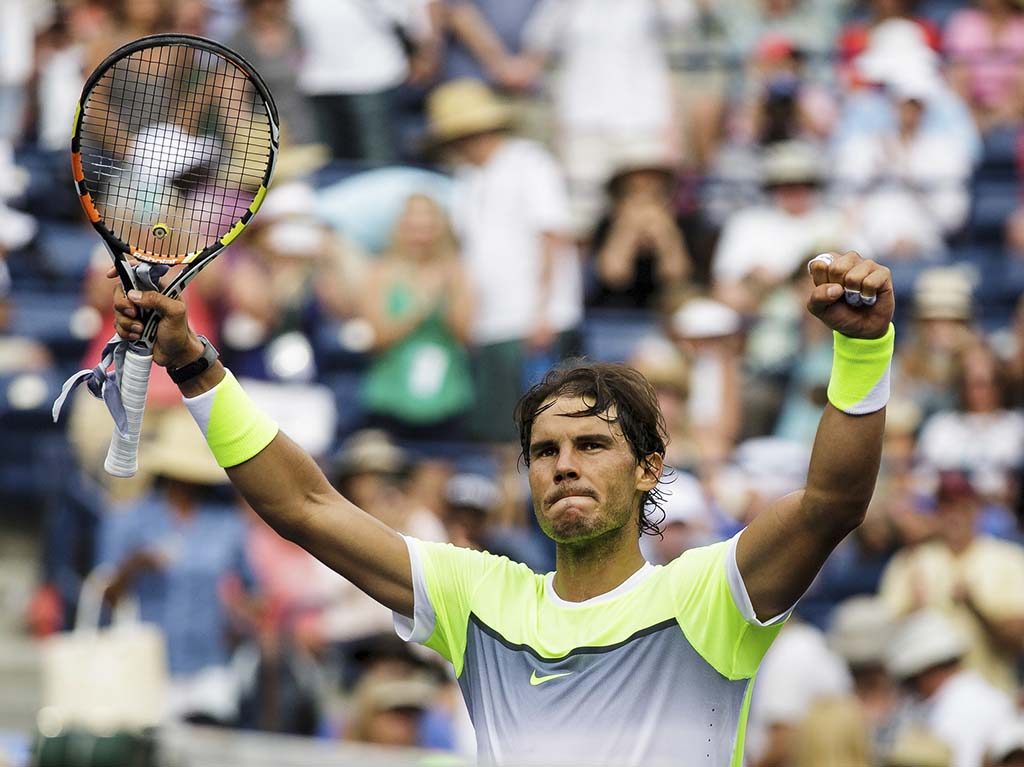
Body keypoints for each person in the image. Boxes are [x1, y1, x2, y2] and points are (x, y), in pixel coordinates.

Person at [108, 250, 896, 765]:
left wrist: (862, 352)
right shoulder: (481, 597)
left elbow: (833, 500)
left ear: (650, 468)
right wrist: (194, 363)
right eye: (545, 452)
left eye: (592, 445)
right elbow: (307, 506)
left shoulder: (706, 595)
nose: (564, 465)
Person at [425, 78, 583, 443]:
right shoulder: (466, 180)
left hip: (535, 322)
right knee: (502, 434)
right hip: (491, 324)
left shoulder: (529, 163)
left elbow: (553, 237)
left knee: (551, 428)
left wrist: (544, 312)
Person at [878, 470, 1024, 693]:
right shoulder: (911, 562)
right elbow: (884, 641)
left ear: (977, 511)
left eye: (963, 508)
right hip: (931, 701)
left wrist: (975, 607)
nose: (955, 516)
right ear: (936, 513)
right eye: (946, 508)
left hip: (994, 691)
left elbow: (1018, 639)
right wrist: (914, 612)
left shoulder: (1008, 559)